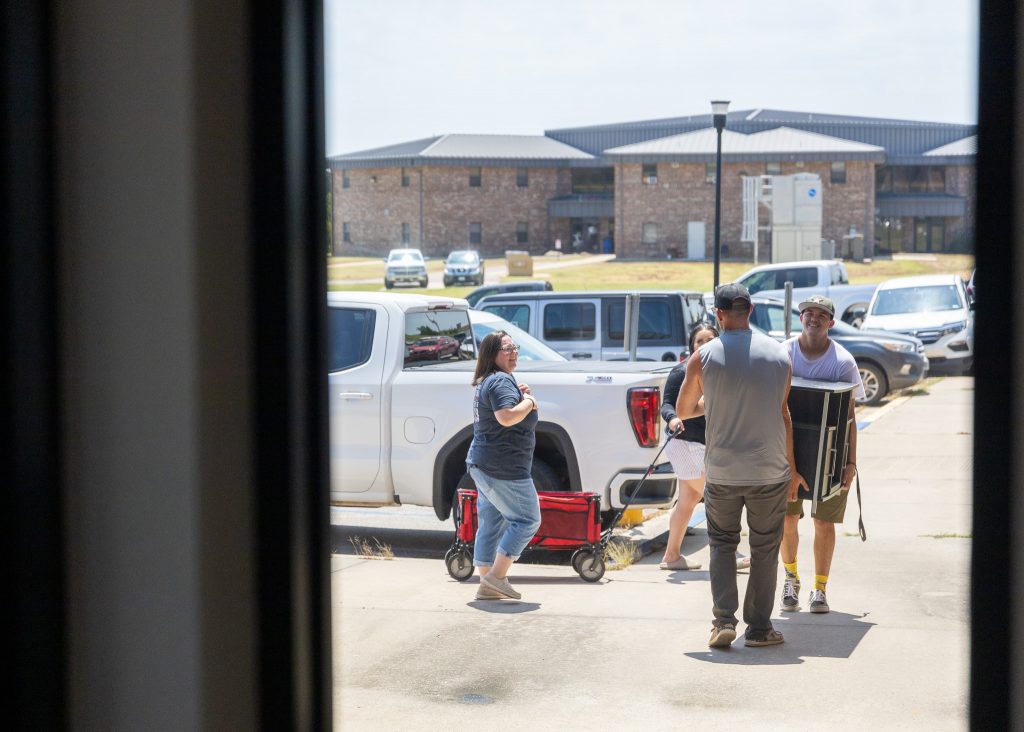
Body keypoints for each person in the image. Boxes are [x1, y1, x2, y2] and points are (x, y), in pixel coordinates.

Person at [676, 283, 805, 648]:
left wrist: (711, 404)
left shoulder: (703, 357)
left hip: (723, 471)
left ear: (718, 316)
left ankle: (722, 623)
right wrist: (792, 469)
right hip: (770, 470)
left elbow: (685, 410)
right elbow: (784, 413)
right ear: (749, 311)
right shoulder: (781, 356)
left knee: (722, 545)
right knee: (765, 549)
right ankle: (761, 629)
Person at [779, 295, 865, 614]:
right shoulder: (783, 354)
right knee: (787, 518)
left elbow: (851, 419)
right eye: (808, 313)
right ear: (800, 318)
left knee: (822, 522)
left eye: (821, 314)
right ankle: (790, 579)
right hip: (787, 455)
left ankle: (820, 588)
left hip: (831, 457)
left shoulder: (842, 362)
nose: (813, 318)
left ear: (831, 322)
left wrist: (851, 464)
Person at [658, 324, 751, 571]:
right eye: (700, 341)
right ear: (692, 346)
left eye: (711, 339)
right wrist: (673, 419)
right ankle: (725, 555)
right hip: (687, 443)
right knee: (719, 498)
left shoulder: (722, 371)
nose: (705, 344)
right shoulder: (682, 371)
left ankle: (671, 556)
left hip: (701, 445)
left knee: (688, 500)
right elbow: (666, 404)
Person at [466, 331, 542, 601]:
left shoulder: (489, 380)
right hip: (503, 468)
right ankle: (496, 577)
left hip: (483, 463)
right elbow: (506, 417)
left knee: (492, 522)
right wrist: (530, 402)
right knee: (527, 520)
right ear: (492, 354)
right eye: (507, 349)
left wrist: (521, 397)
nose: (513, 353)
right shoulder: (499, 381)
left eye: (515, 347)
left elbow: (506, 409)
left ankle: (486, 586)